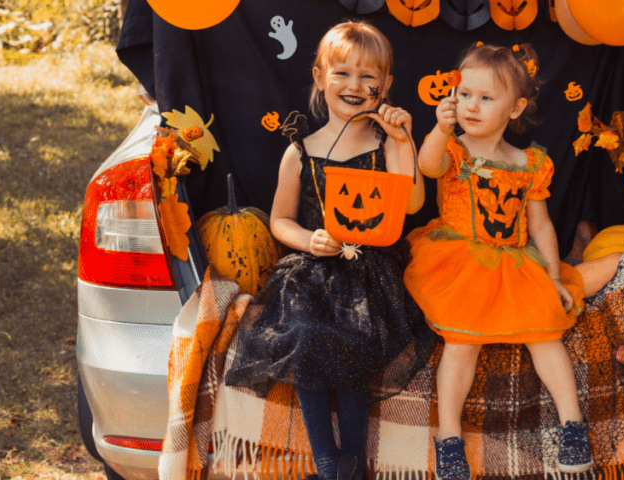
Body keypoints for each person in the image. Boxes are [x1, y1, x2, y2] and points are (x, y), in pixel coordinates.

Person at [224, 21, 435, 480]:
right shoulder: (300, 152)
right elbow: (279, 220)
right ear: (320, 77)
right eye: (342, 73)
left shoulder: (386, 145)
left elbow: (413, 203)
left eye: (368, 78)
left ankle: (352, 460)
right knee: (306, 334)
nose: (354, 86)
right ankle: (327, 460)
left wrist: (405, 141)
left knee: (355, 339)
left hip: (370, 269)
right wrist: (308, 239)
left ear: (385, 87)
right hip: (312, 270)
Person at [403, 43, 592, 480]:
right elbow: (427, 167)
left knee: (545, 335)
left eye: (487, 98)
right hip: (460, 258)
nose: (472, 106)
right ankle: (449, 439)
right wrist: (438, 128)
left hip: (514, 262)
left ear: (515, 107)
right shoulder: (452, 150)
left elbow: (541, 226)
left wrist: (552, 274)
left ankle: (573, 425)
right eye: (465, 94)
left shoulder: (529, 163)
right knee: (461, 343)